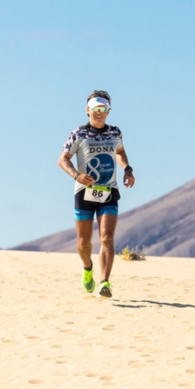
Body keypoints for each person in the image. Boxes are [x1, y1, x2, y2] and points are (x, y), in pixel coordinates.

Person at [58, 90, 135, 298]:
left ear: (108, 111)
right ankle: (87, 269)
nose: (98, 112)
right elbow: (63, 159)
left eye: (103, 109)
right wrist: (76, 175)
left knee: (107, 238)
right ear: (87, 110)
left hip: (109, 192)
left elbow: (119, 152)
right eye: (95, 108)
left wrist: (128, 169)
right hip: (84, 192)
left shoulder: (115, 133)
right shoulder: (78, 134)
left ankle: (105, 282)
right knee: (83, 243)